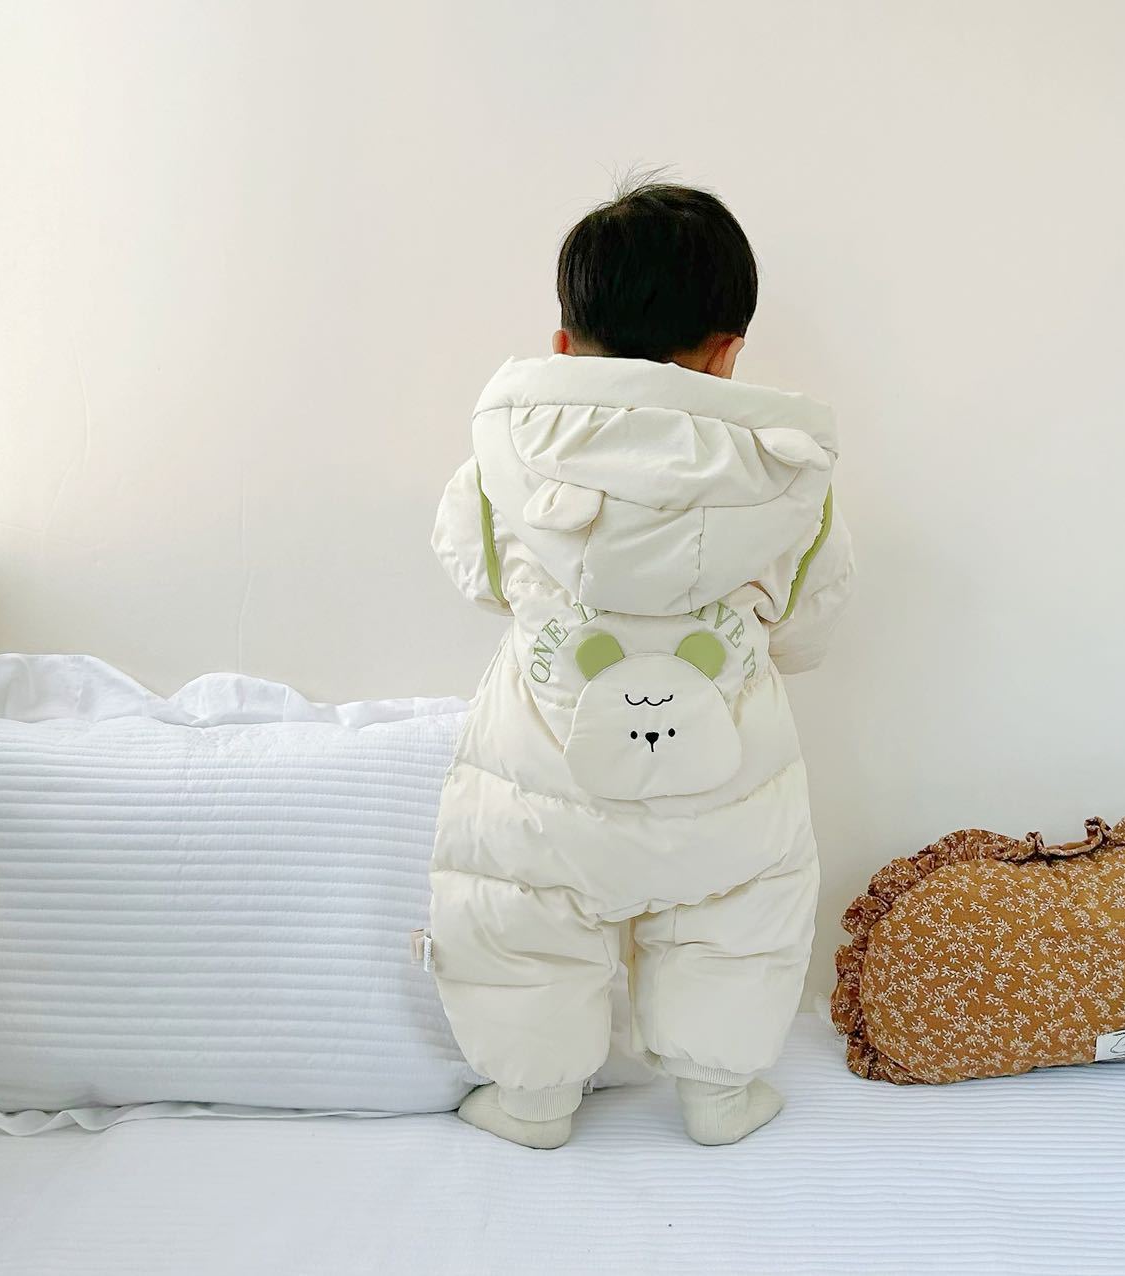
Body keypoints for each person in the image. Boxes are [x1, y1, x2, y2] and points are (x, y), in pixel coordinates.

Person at [429, 180, 854, 1148]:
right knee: (733, 920)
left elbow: (478, 575)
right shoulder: (795, 480)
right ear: (728, 352)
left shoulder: (500, 464)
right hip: (727, 788)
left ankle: (533, 1102)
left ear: (563, 345)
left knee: (522, 921)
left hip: (540, 779)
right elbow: (807, 625)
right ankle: (719, 1096)